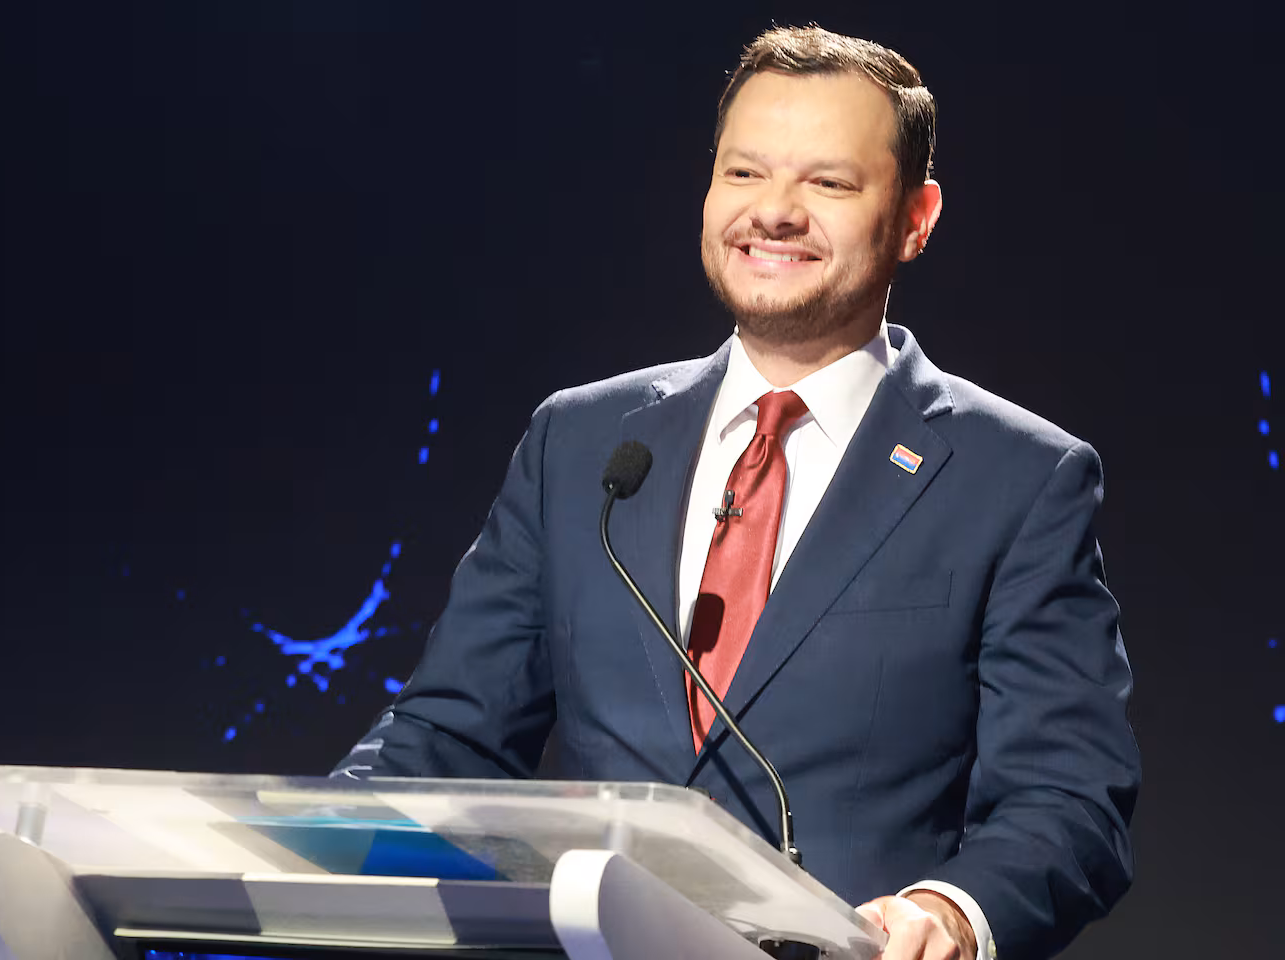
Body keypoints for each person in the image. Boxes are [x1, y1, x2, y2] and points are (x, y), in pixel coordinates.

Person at [332, 24, 1139, 960]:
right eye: (745, 173)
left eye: (828, 183)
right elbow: (449, 735)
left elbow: (1069, 799)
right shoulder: (581, 443)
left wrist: (950, 912)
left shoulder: (1020, 478)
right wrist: (306, 837)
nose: (775, 213)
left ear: (916, 219)